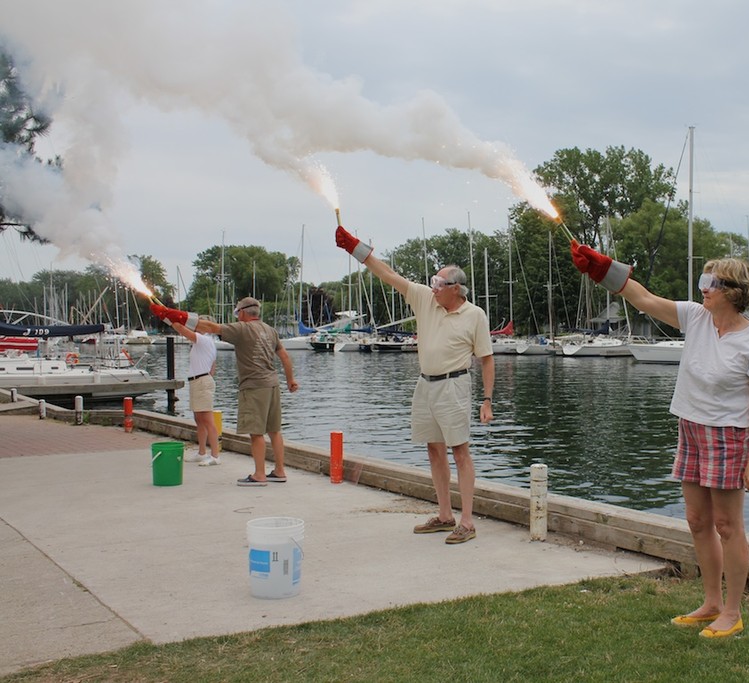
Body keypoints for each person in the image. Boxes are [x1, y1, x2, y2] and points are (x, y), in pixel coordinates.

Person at [571, 244, 749, 639]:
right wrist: (603, 269)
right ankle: (711, 602)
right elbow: (643, 299)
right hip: (691, 428)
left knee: (728, 526)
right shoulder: (697, 317)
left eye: (709, 283)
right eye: (702, 281)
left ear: (733, 290)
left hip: (729, 435)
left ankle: (733, 612)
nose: (702, 290)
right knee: (698, 522)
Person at [335, 222, 494, 544]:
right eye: (433, 281)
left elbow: (486, 358)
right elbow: (388, 274)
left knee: (460, 451)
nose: (432, 285)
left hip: (454, 385)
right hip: (426, 385)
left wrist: (487, 400)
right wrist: (356, 248)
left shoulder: (474, 315)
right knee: (433, 450)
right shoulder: (424, 298)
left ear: (456, 288)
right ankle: (445, 515)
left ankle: (467, 521)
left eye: (439, 282)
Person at [151, 297, 300, 486]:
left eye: (237, 313)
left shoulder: (242, 328)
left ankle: (259, 475)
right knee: (275, 430)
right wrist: (291, 380)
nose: (237, 317)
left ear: (244, 312)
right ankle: (279, 471)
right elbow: (284, 356)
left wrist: (173, 314)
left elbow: (209, 327)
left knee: (256, 432)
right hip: (273, 384)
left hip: (253, 386)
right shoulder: (270, 330)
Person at [171, 318, 220, 465]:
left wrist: (170, 319)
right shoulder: (201, 343)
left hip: (202, 381)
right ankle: (202, 452)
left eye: (199, 324)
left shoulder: (204, 339)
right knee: (199, 419)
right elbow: (213, 366)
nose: (196, 327)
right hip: (197, 380)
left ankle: (215, 456)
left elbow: (183, 331)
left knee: (207, 419)